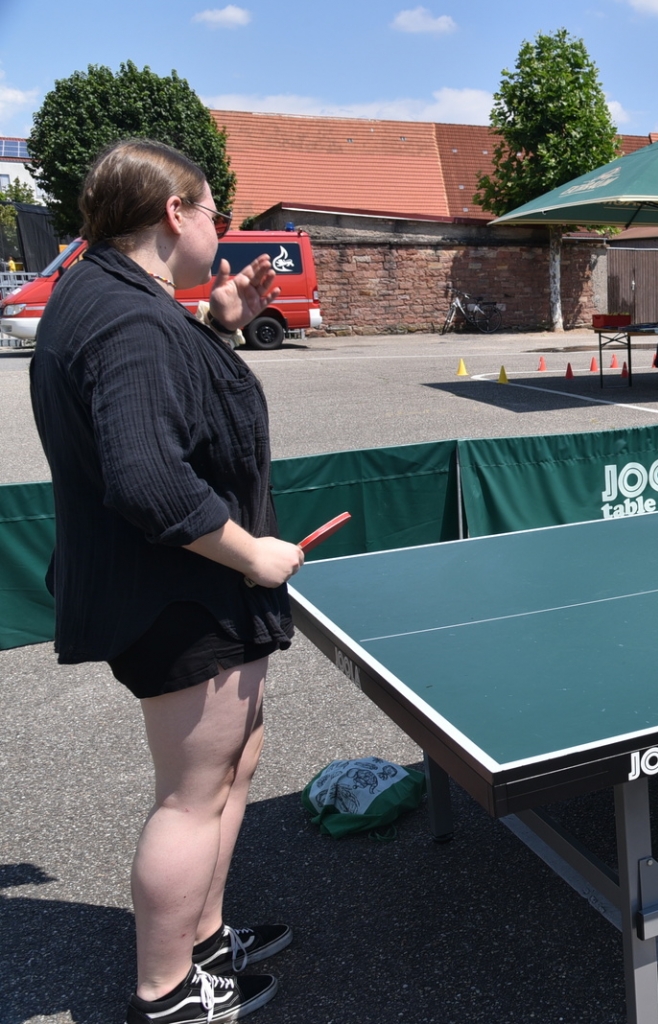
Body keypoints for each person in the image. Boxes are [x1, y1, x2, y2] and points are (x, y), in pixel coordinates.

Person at [29, 139, 302, 1022]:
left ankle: (204, 940)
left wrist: (218, 321)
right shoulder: (128, 318)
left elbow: (159, 399)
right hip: (181, 594)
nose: (222, 227)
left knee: (233, 762)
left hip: (179, 588)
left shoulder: (116, 297)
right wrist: (255, 555)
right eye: (214, 208)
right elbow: (148, 478)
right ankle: (170, 993)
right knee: (191, 798)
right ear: (172, 213)